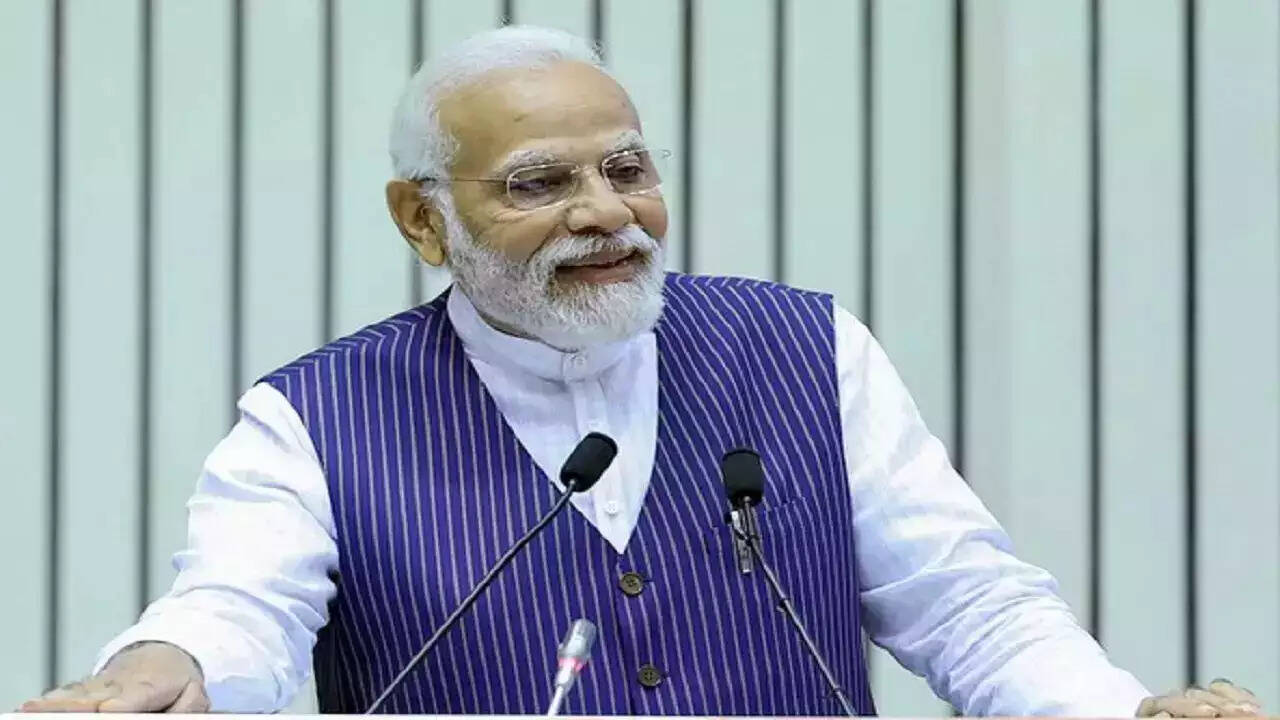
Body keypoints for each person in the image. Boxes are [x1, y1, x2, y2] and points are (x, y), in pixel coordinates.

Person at [20, 26, 1263, 717]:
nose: (605, 212)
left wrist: (1116, 714)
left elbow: (963, 603)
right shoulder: (312, 416)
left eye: (626, 169)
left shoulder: (803, 348)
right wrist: (164, 670)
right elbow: (239, 604)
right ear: (420, 218)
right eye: (539, 183)